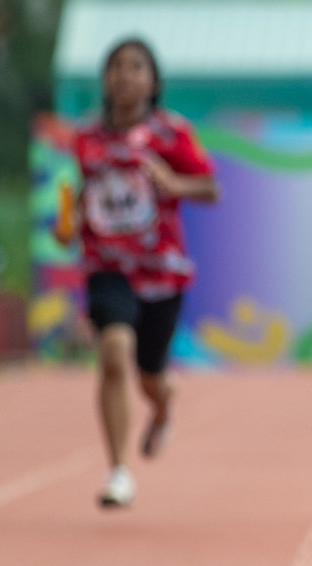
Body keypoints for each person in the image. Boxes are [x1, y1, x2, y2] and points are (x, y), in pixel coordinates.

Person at [54, 39, 219, 507]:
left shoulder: (171, 134)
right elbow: (80, 194)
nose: (125, 76)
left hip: (162, 271)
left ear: (152, 80)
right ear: (105, 79)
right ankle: (119, 471)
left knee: (149, 375)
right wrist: (70, 225)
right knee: (112, 352)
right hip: (108, 266)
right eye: (116, 67)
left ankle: (162, 403)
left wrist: (172, 183)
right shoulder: (85, 139)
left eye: (136, 67)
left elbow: (210, 188)